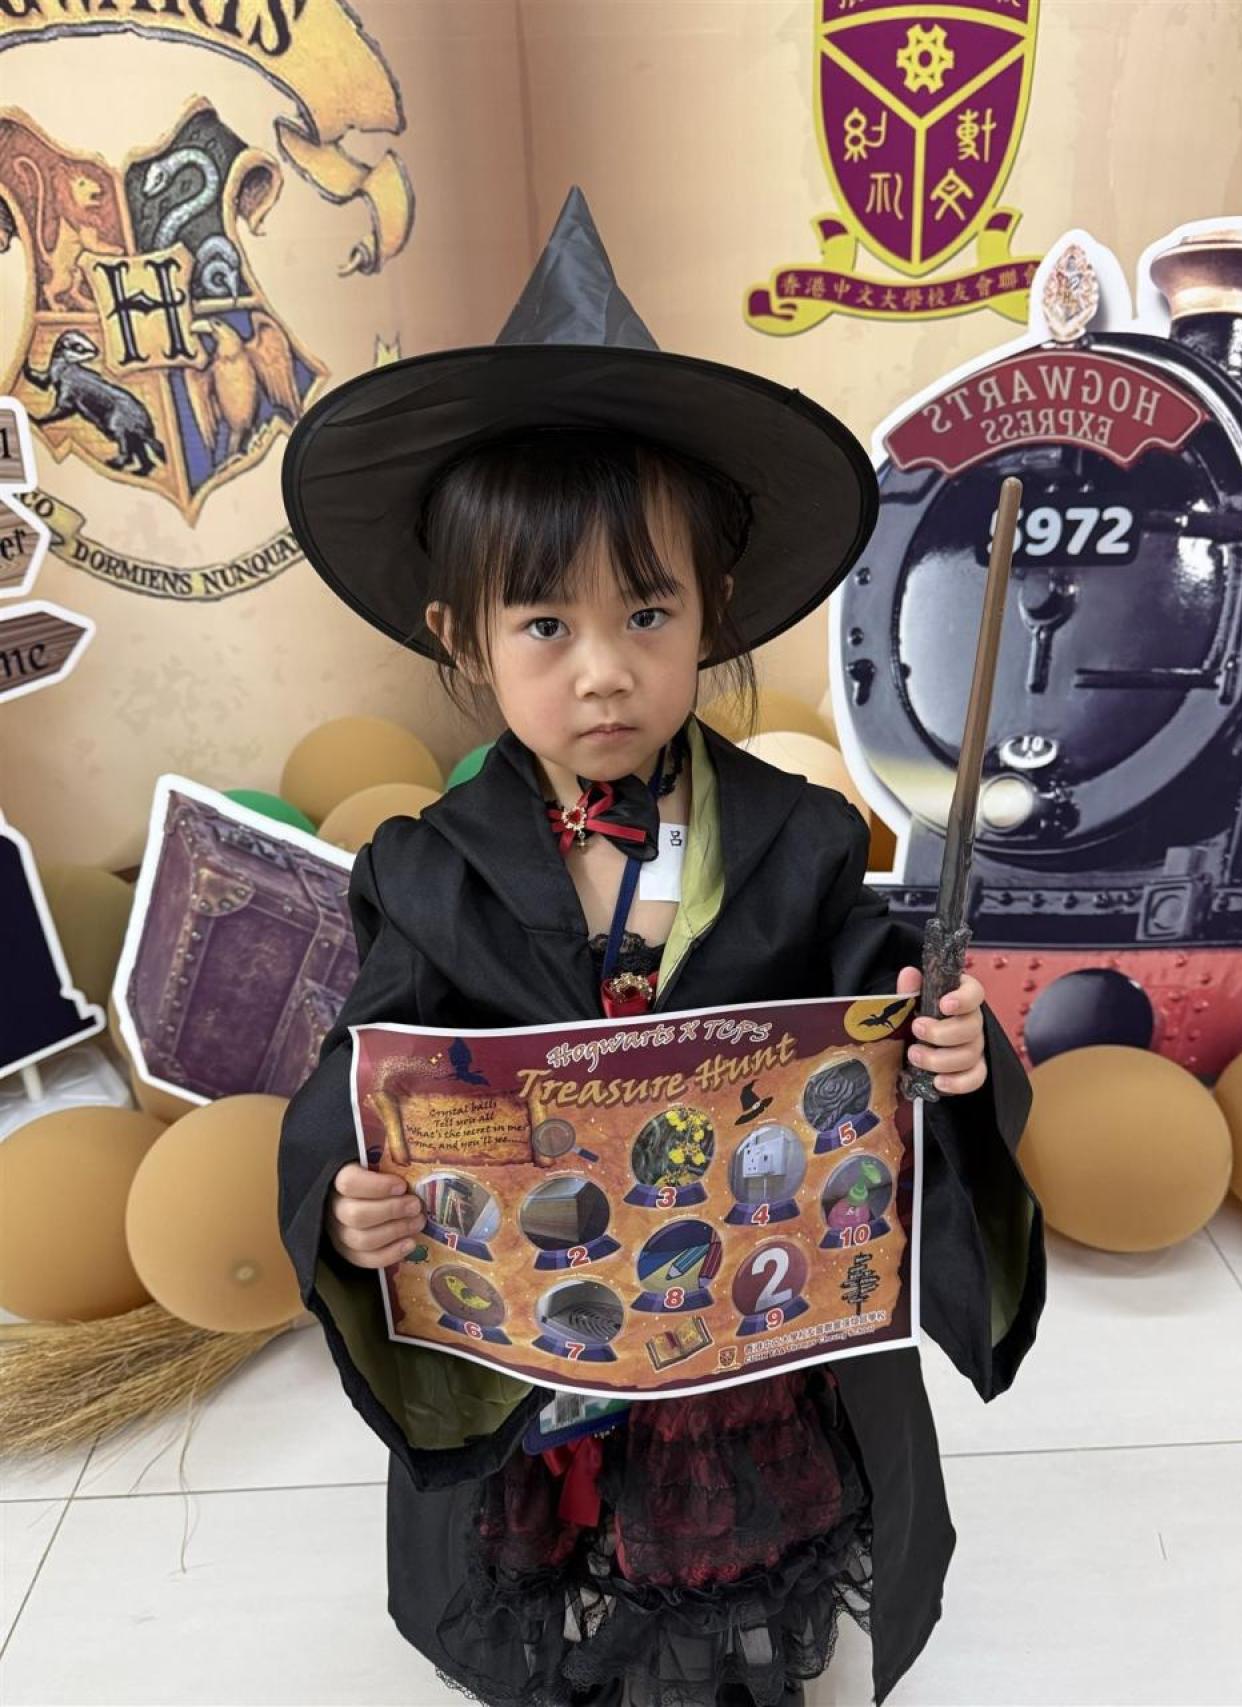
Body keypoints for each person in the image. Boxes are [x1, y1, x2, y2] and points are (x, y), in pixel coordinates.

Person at [277, 190, 1045, 1707]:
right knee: (567, 1561)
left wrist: (947, 1051)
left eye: (647, 612)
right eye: (544, 627)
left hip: (737, 1302)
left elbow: (881, 1014)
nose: (605, 673)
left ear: (715, 613)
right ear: (460, 636)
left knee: (728, 1577)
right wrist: (346, 1196)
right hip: (548, 1321)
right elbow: (361, 1070)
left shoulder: (800, 841)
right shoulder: (426, 873)